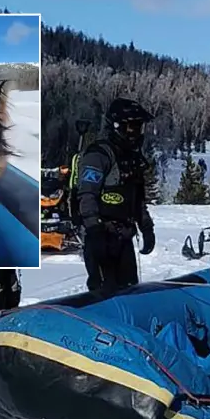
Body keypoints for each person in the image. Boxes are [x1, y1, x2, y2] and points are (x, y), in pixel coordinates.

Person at [74, 98, 156, 293]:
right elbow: (87, 194)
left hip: (124, 236)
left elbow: (137, 198)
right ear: (117, 126)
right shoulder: (99, 155)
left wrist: (147, 227)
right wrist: (94, 230)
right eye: (131, 127)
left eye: (139, 127)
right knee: (104, 291)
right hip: (102, 234)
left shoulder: (132, 158)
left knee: (130, 290)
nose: (136, 132)